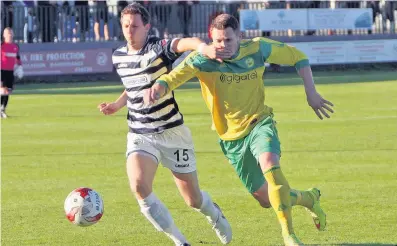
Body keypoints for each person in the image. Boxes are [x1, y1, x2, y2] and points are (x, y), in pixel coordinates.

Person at [144, 14, 333, 246]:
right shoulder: (201, 60)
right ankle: (308, 198)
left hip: (259, 122)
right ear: (211, 39)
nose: (223, 46)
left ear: (240, 37)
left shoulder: (258, 48)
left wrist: (311, 92)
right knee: (266, 199)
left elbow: (299, 57)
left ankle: (289, 235)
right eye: (218, 41)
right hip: (231, 139)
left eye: (228, 40)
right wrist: (157, 88)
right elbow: (171, 79)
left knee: (271, 166)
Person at [97, 3, 232, 246]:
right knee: (139, 186)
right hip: (140, 133)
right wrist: (118, 105)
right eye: (126, 25)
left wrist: (204, 48)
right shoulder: (118, 56)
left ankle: (215, 215)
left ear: (147, 27)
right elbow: (133, 86)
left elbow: (184, 43)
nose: (129, 30)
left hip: (172, 132)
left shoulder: (157, 48)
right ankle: (180, 241)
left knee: (193, 199)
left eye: (135, 26)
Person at [1, 27, 23, 119]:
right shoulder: (1, 46)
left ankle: (2, 109)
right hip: (1, 71)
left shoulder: (15, 46)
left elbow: (17, 58)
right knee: (2, 90)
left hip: (10, 72)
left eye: (11, 33)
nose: (10, 34)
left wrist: (20, 67)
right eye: (8, 33)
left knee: (8, 91)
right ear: (4, 35)